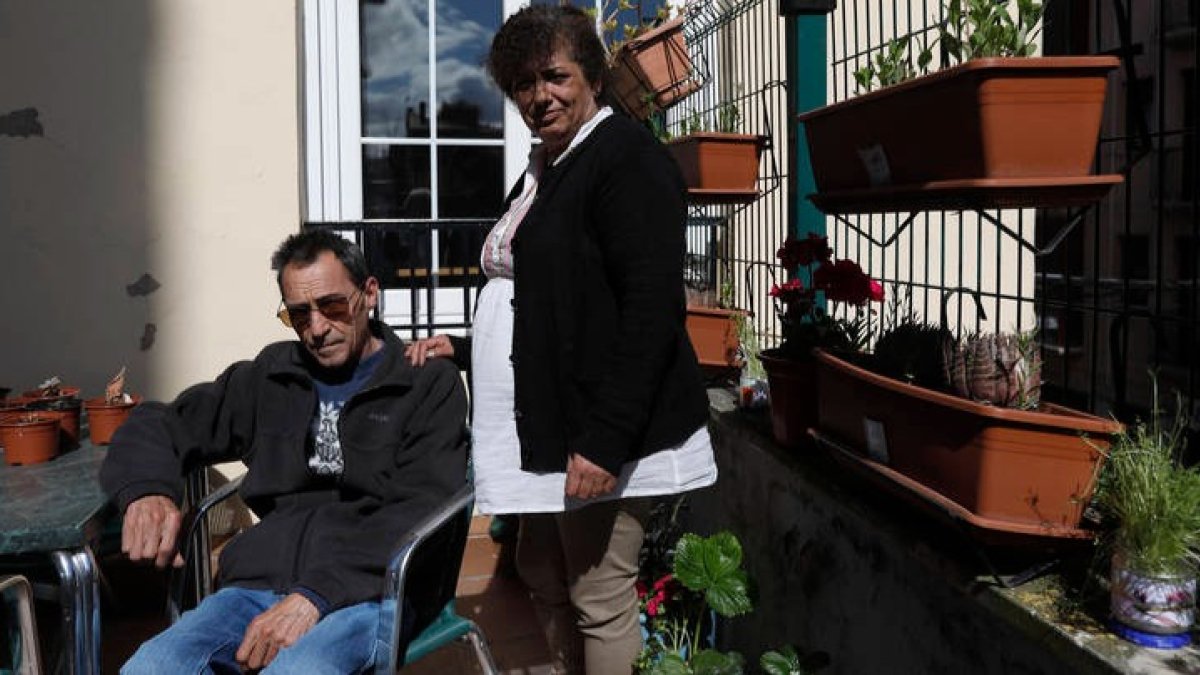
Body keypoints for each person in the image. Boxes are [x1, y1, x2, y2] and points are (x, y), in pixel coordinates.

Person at [406, 6, 717, 673]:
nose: (537, 96)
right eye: (522, 83)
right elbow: (551, 295)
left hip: (598, 427)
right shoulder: (548, 165)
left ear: (592, 77)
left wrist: (606, 436)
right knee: (540, 565)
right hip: (545, 423)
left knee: (597, 589)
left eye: (554, 75)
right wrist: (464, 350)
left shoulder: (623, 158)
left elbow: (649, 308)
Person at [100, 230, 468, 674]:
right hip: (257, 584)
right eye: (298, 315)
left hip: (371, 591)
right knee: (150, 667)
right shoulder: (271, 377)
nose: (316, 329)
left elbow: (419, 507)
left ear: (369, 294)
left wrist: (316, 596)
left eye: (332, 306)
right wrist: (147, 492)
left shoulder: (424, 383)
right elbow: (161, 421)